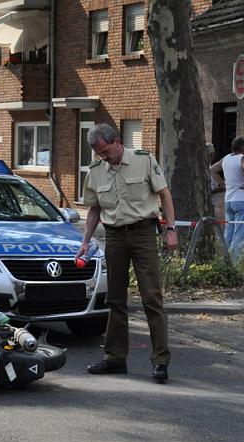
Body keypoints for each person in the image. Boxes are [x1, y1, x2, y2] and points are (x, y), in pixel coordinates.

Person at [76, 123, 178, 384]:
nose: (104, 158)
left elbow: (164, 194)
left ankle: (160, 361)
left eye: (106, 151)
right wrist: (85, 241)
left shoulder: (143, 160)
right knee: (115, 299)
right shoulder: (97, 171)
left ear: (117, 141)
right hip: (114, 236)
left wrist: (171, 228)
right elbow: (94, 209)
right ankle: (115, 358)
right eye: (99, 154)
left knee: (151, 297)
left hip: (143, 233)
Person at [210, 137, 244, 260]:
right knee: (239, 234)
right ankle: (235, 264)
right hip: (242, 200)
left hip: (229, 200)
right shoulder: (243, 158)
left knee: (228, 232)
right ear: (242, 147)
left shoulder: (226, 158)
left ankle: (224, 261)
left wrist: (223, 183)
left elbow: (212, 170)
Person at [205, 143, 225, 221]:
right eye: (213, 154)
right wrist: (224, 187)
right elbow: (210, 191)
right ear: (211, 154)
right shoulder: (206, 169)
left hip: (212, 203)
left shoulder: (209, 167)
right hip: (209, 203)